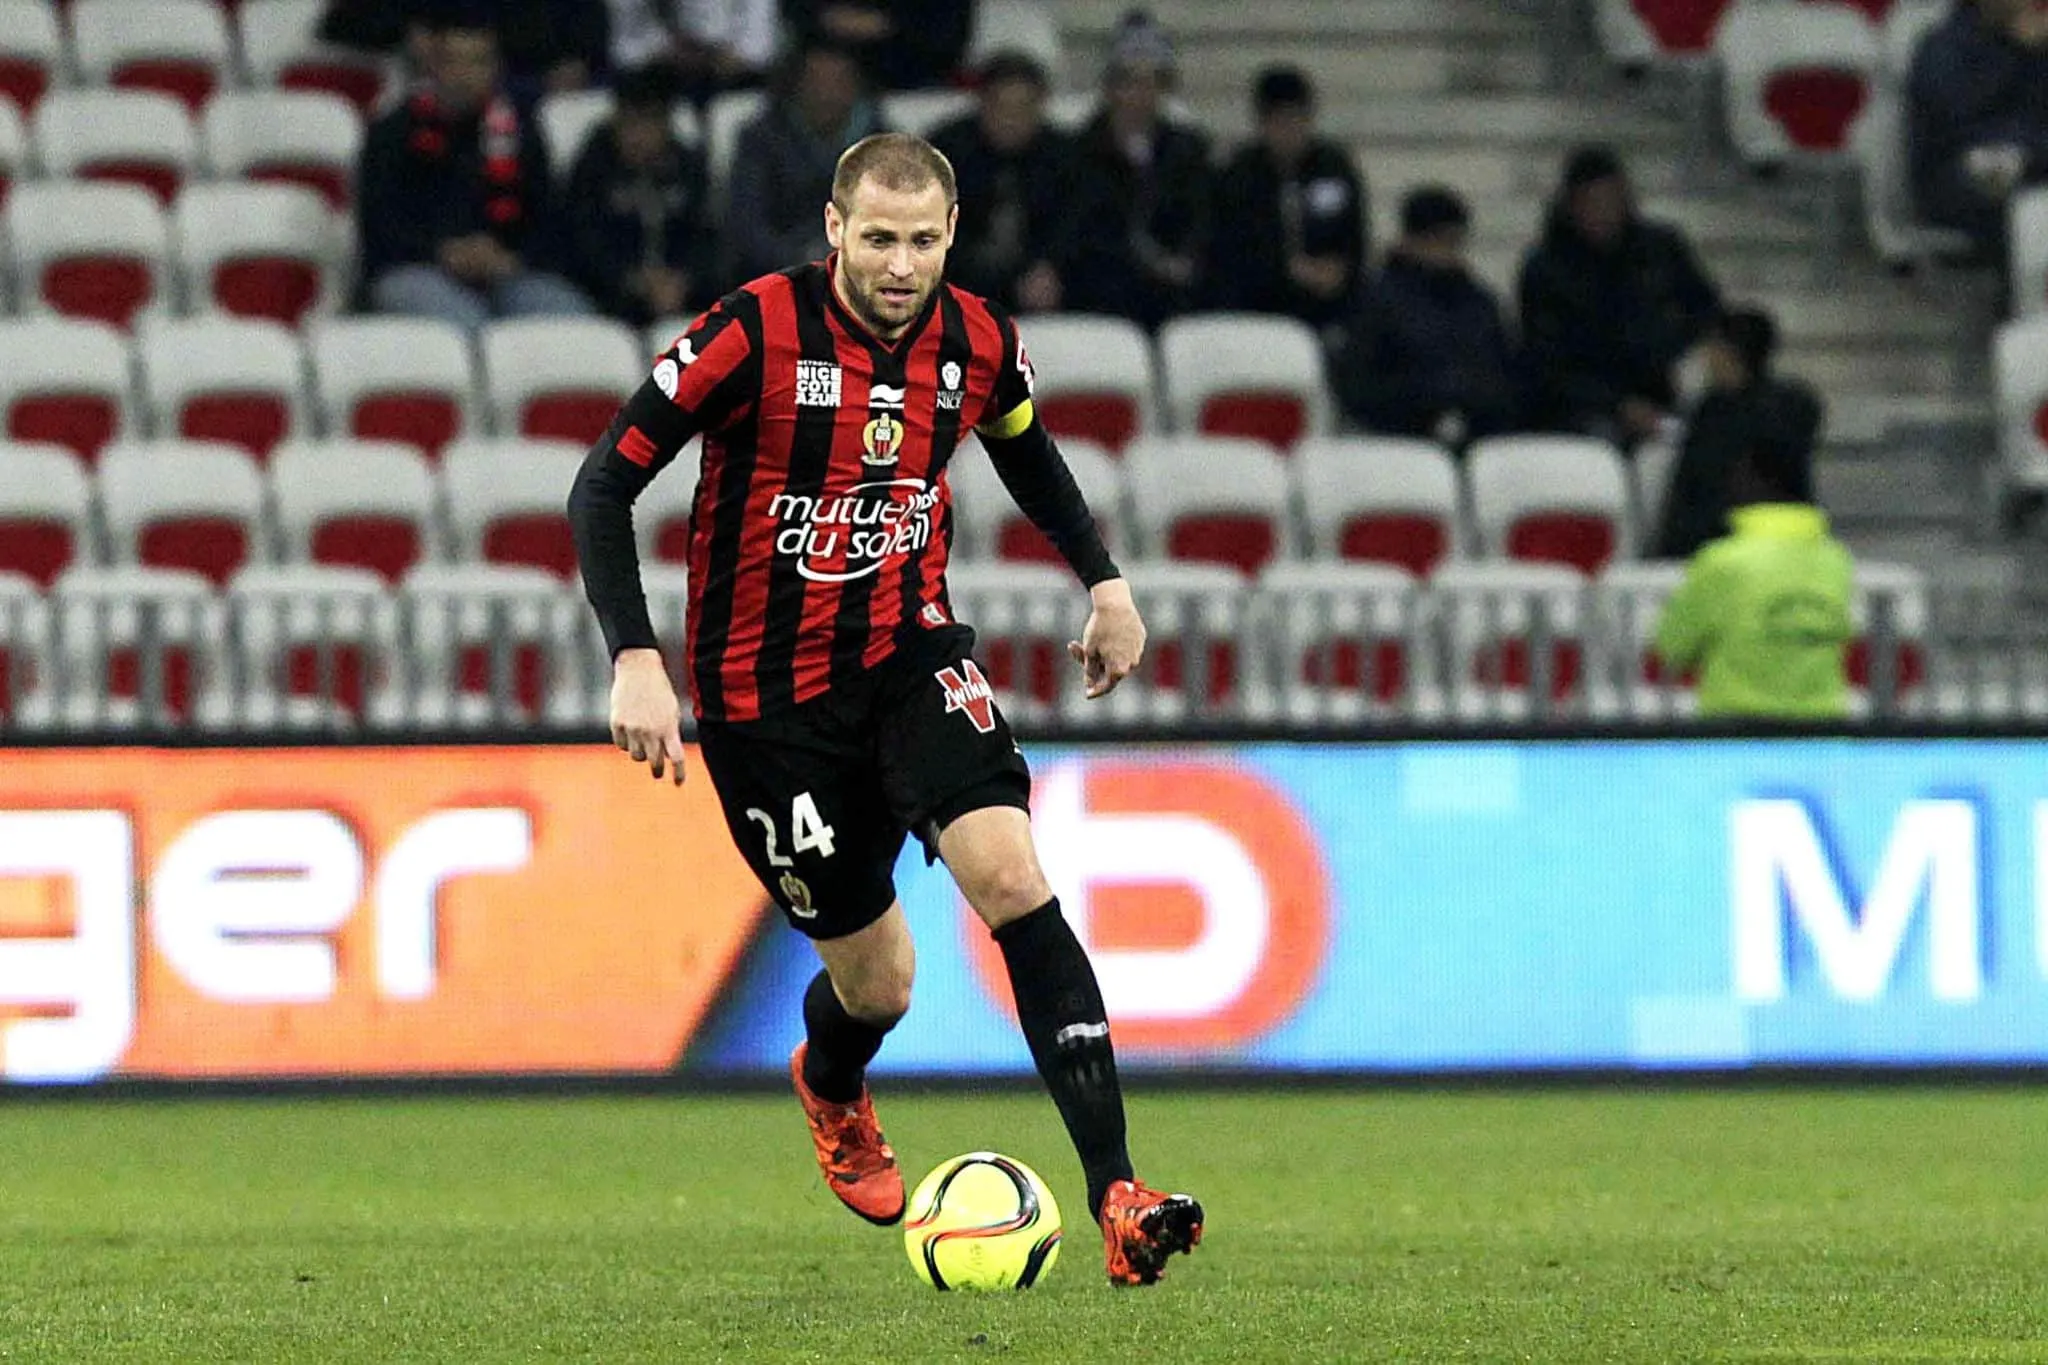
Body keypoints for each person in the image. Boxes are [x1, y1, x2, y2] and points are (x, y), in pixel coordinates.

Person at [567, 133, 1205, 1285]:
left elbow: (1028, 455)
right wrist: (634, 657)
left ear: (950, 235)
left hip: (910, 660)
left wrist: (1103, 581)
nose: (899, 264)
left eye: (920, 241)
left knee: (1012, 877)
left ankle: (1117, 1188)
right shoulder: (751, 331)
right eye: (876, 239)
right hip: (766, 711)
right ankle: (831, 1082)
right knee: (881, 985)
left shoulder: (975, 339)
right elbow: (603, 481)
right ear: (832, 230)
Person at [356, 9, 592, 331]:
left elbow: (548, 218)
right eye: (454, 62)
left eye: (479, 62)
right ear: (433, 66)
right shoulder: (392, 132)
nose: (465, 74)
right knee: (468, 328)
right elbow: (381, 226)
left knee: (572, 322)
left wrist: (509, 257)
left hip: (507, 271)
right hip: (417, 269)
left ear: (496, 69)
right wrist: (445, 253)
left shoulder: (521, 129)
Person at [1517, 144, 1721, 447]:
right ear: (1572, 205)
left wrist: (1675, 352)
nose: (1604, 214)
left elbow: (1705, 309)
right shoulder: (1545, 269)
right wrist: (1616, 404)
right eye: (1592, 203)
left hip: (1658, 393)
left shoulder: (1660, 249)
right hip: (1580, 408)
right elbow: (1546, 361)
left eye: (1612, 201)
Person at [1653, 444, 1853, 721]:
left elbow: (1673, 646)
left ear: (1751, 482)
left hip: (1734, 731)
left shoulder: (1721, 561)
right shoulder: (1836, 560)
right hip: (1822, 730)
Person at [1334, 185, 1520, 447]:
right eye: (1436, 240)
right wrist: (1428, 399)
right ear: (1410, 240)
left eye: (1454, 241)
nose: (1447, 251)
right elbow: (1360, 386)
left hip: (1476, 436)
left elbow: (1502, 375)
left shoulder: (1479, 303)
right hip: (1398, 439)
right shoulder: (1376, 301)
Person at [1062, 10, 1212, 330]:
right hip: (1104, 289)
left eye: (1152, 83)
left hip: (1173, 292)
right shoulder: (1078, 152)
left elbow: (1201, 217)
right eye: (1131, 82)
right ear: (1111, 88)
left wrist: (1184, 259)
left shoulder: (1187, 150)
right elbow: (1080, 228)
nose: (1141, 96)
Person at [1653, 307, 1825, 560]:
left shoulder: (1722, 415)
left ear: (1728, 352)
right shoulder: (1792, 405)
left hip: (1729, 542)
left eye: (1711, 348)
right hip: (1786, 541)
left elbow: (1696, 491)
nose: (1706, 358)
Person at [1210, 66, 1367, 333]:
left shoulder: (1334, 167)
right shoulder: (1238, 176)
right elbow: (1231, 248)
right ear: (1262, 123)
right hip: (1258, 307)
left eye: (1299, 120)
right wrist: (1286, 269)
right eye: (1281, 122)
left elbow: (1354, 235)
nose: (1290, 131)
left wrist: (1338, 270)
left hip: (1328, 307)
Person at [723, 35, 884, 288]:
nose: (827, 94)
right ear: (797, 86)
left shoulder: (883, 144)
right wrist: (802, 265)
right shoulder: (761, 140)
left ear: (856, 86)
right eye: (817, 83)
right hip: (779, 280)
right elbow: (747, 225)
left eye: (838, 82)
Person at [564, 66, 715, 327]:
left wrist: (683, 280)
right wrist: (633, 281)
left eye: (649, 122)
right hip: (610, 298)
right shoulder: (594, 167)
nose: (639, 136)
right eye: (630, 123)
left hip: (682, 294)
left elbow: (708, 238)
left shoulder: (688, 166)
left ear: (666, 124)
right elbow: (581, 242)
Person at [928, 51, 1072, 313]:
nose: (1011, 120)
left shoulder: (1065, 158)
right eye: (1001, 108)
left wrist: (1050, 266)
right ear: (982, 103)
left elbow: (1075, 226)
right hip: (962, 285)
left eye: (1023, 109)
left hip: (1047, 289)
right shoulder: (945, 153)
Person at [1907, 0, 2048, 264]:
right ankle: (2017, 300)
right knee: (2023, 212)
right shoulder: (1943, 46)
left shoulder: (2036, 46)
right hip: (1954, 178)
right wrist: (2014, 51)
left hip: (2026, 167)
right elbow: (1958, 125)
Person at [605, 0, 780, 102]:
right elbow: (623, 50)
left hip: (732, 77)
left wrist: (726, 57)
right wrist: (659, 52)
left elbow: (763, 48)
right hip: (660, 77)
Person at [781, 0, 974, 90]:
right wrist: (827, 19)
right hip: (827, 58)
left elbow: (948, 35)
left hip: (915, 74)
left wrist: (890, 25)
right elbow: (797, 12)